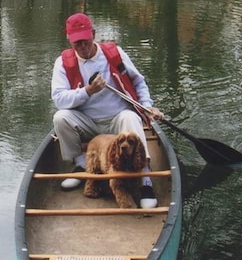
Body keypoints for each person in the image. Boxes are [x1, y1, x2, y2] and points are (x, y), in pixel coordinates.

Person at [51, 12, 164, 208]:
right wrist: (88, 91)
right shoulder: (62, 63)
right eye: (77, 43)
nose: (83, 47)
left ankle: (145, 179)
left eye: (85, 41)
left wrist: (146, 106)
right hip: (88, 123)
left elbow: (138, 81)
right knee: (60, 117)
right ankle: (81, 164)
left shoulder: (114, 54)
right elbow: (59, 99)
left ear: (93, 34)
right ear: (69, 40)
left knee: (131, 117)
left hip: (117, 122)